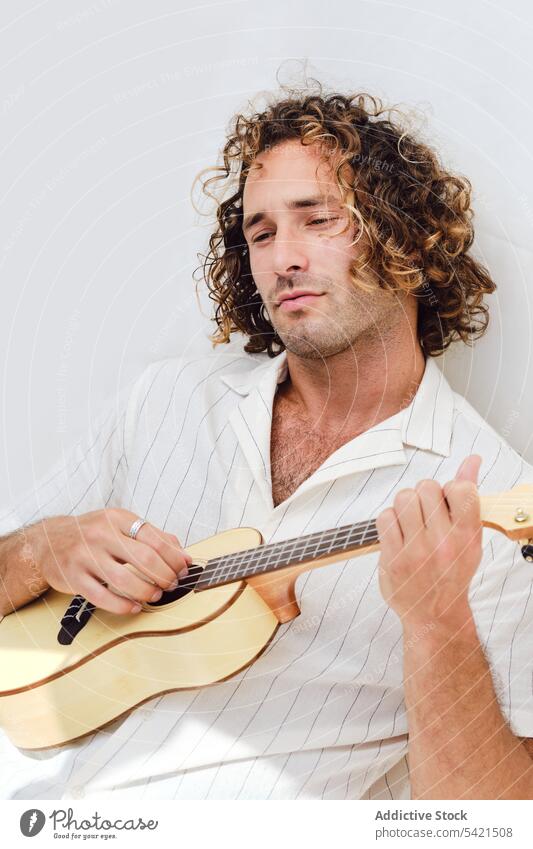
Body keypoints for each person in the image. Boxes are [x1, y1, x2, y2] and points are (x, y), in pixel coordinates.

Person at [1, 83, 532, 800]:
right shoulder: (167, 398)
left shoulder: (492, 495)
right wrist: (42, 550)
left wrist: (436, 620)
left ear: (403, 236)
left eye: (316, 221)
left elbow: (488, 823)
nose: (283, 257)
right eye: (260, 233)